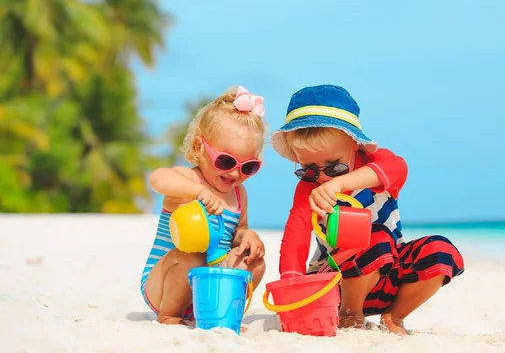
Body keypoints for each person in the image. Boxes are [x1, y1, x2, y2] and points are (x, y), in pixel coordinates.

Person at [270, 84, 464, 335]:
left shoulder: (377, 166)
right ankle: (350, 314)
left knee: (439, 250)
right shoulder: (308, 190)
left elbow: (398, 168)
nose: (322, 177)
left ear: (354, 145)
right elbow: (295, 238)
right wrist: (291, 281)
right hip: (334, 284)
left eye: (334, 166)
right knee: (371, 238)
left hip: (390, 276)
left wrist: (342, 183)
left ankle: (394, 316)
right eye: (308, 169)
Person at [140, 86, 267, 325]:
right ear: (200, 148)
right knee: (193, 257)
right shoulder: (188, 181)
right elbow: (157, 178)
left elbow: (238, 230)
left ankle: (223, 313)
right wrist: (197, 192)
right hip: (164, 285)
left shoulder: (239, 194)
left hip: (208, 288)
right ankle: (171, 316)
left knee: (255, 264)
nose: (234, 172)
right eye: (226, 160)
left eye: (248, 166)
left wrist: (247, 236)